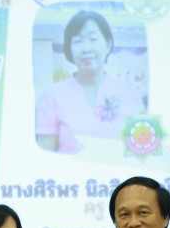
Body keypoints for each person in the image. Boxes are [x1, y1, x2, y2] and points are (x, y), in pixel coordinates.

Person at [35, 10, 146, 154]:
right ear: (69, 49)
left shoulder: (130, 95)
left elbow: (142, 151)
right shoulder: (51, 96)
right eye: (77, 41)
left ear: (108, 44)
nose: (86, 49)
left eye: (93, 39)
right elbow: (44, 156)